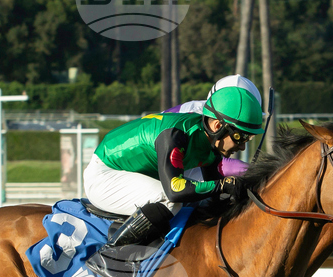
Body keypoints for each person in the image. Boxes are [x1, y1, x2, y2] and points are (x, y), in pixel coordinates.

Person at [83, 82, 265, 251]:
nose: (242, 146)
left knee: (199, 202)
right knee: (169, 201)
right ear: (217, 126)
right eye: (240, 137)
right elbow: (174, 190)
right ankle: (110, 254)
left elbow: (214, 192)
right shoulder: (175, 136)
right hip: (104, 175)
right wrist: (224, 185)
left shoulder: (210, 140)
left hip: (128, 173)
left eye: (248, 139)